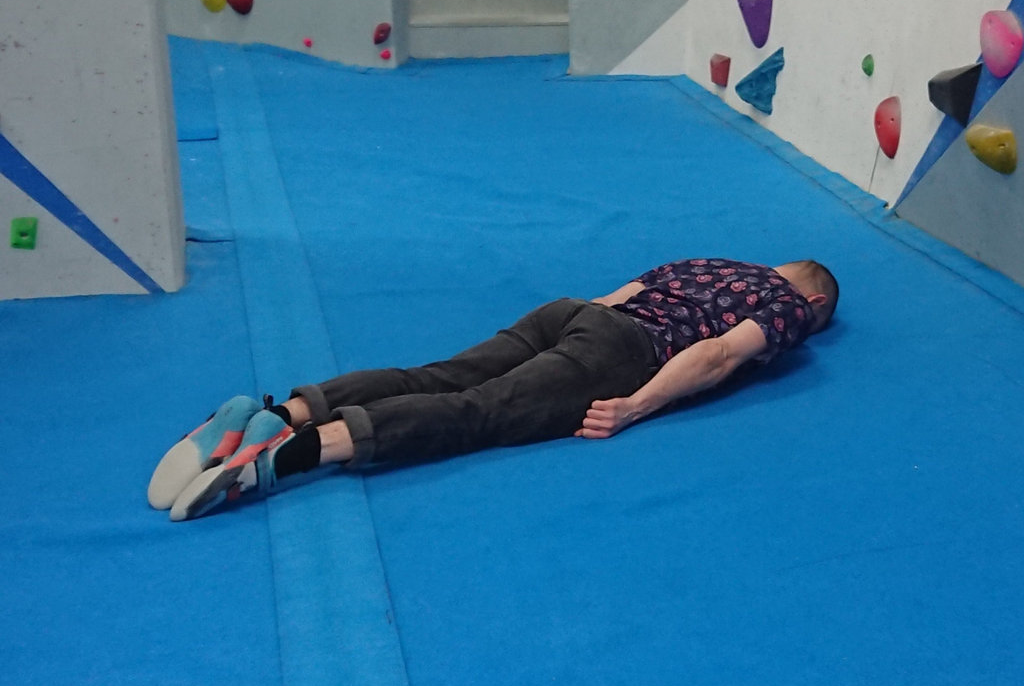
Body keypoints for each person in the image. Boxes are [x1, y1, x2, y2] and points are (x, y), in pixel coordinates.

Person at [149, 257, 838, 521]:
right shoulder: (785, 308)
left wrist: (581, 333)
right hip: (625, 351)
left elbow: (616, 295)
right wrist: (635, 405)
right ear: (810, 302)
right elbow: (717, 355)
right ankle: (286, 456)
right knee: (475, 413)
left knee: (438, 376)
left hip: (574, 313)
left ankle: (273, 412)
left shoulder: (709, 263)